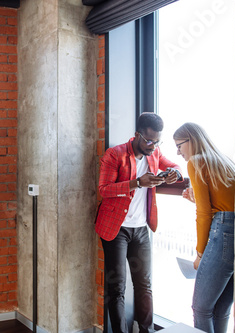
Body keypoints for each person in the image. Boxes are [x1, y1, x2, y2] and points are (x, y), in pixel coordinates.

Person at [95, 112, 182, 333]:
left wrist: (173, 173)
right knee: (117, 288)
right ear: (137, 135)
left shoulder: (155, 153)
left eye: (157, 141)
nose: (153, 146)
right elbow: (104, 190)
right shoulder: (115, 155)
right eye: (150, 140)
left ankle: (147, 330)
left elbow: (176, 167)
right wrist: (136, 183)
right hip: (117, 229)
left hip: (142, 230)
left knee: (145, 286)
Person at [173, 122, 235, 333]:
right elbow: (224, 204)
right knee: (221, 307)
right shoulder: (224, 161)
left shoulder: (196, 162)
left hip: (223, 231)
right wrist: (197, 201)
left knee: (200, 308)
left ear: (191, 140)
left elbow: (203, 215)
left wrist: (200, 253)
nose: (178, 152)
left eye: (179, 145)